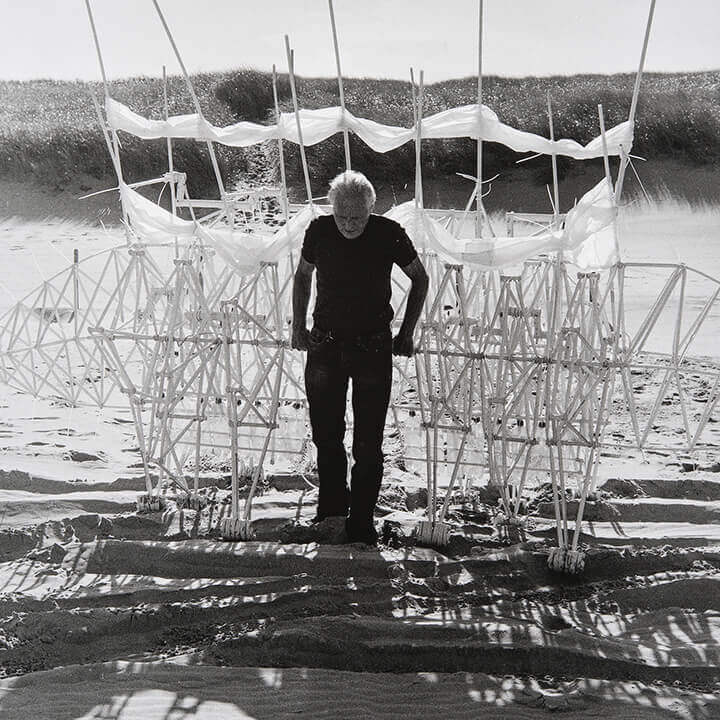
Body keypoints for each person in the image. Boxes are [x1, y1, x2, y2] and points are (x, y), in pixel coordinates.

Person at [291, 170, 429, 545]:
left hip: (372, 348)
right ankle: (333, 509)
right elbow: (303, 276)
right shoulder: (318, 230)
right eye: (342, 217)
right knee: (326, 434)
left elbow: (421, 278)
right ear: (331, 209)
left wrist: (406, 332)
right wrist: (297, 326)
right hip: (325, 345)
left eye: (358, 217)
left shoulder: (388, 233)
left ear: (371, 208)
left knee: (368, 441)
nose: (349, 225)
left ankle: (362, 520)